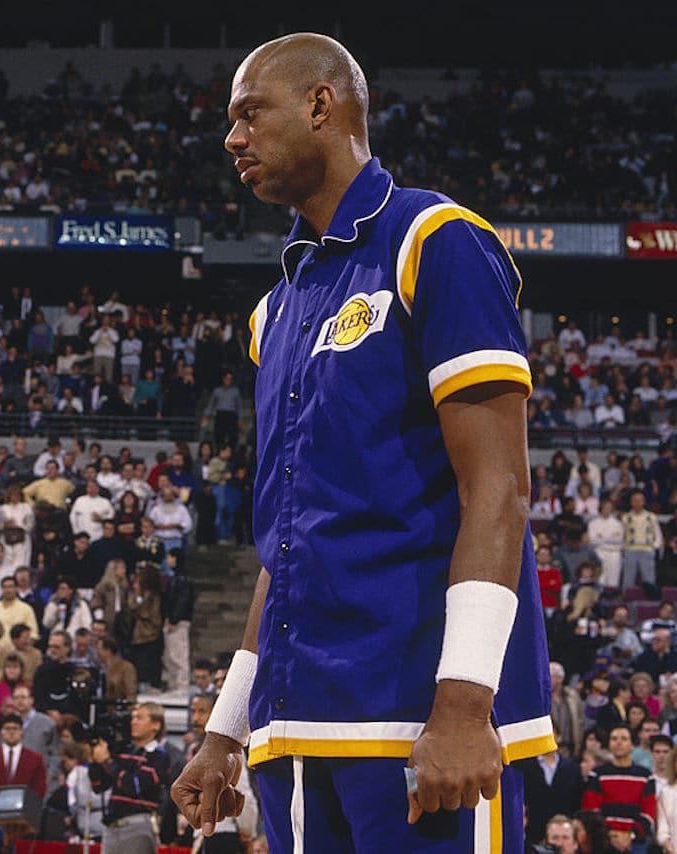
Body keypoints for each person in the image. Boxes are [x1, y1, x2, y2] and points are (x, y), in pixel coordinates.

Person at [174, 34, 555, 854]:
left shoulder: (434, 239)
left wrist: (463, 703)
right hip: (293, 728)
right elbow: (285, 544)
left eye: (249, 113)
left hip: (421, 723)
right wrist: (226, 729)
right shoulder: (273, 311)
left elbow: (500, 488)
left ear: (322, 104)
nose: (231, 138)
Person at [88, 704, 173, 854]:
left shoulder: (159, 756)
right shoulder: (122, 751)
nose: (133, 722)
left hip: (138, 826)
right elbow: (99, 786)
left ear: (156, 725)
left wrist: (108, 761)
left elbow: (133, 786)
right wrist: (95, 760)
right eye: (132, 717)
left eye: (139, 718)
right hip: (111, 827)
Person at [582, 724, 657, 842]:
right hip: (604, 841)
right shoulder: (597, 774)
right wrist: (610, 835)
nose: (619, 742)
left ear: (632, 745)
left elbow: (649, 812)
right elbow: (591, 810)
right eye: (614, 739)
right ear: (609, 744)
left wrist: (630, 835)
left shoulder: (646, 776)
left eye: (624, 739)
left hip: (635, 842)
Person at [517, 750, 584, 848]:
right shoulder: (524, 766)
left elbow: (577, 800)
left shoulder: (572, 767)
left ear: (559, 737)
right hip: (533, 830)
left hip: (564, 827)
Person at [0, 713, 47, 798]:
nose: (11, 732)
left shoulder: (35, 759)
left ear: (22, 731)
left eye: (15, 728)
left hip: (25, 807)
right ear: (1, 732)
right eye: (7, 728)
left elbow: (39, 788)